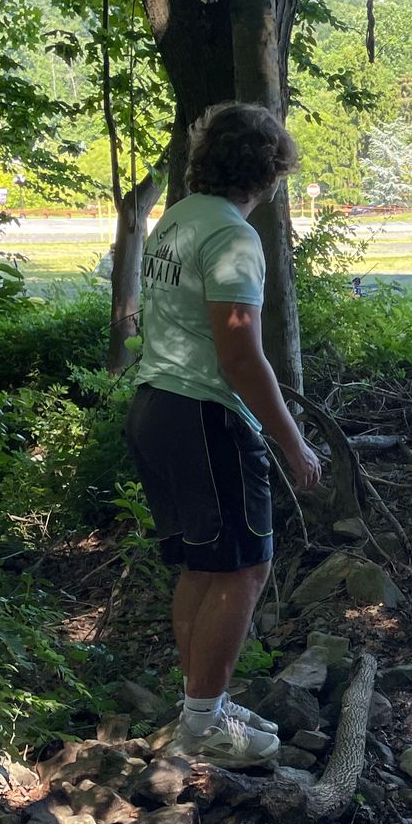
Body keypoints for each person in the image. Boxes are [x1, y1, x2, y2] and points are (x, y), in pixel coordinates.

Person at [124, 103, 324, 769]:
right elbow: (240, 354)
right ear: (269, 171)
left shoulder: (178, 218)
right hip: (204, 416)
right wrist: (293, 444)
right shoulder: (234, 237)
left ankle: (198, 705)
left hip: (154, 406)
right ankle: (203, 723)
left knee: (202, 567)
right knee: (246, 566)